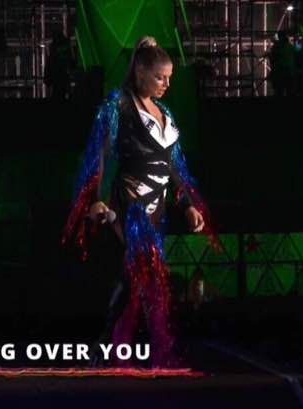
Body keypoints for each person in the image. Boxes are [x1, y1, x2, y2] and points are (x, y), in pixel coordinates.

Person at [62, 36, 218, 368]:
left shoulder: (165, 112)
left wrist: (187, 204)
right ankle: (160, 349)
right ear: (141, 72)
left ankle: (111, 348)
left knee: (134, 279)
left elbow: (174, 166)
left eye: (169, 78)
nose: (166, 84)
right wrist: (97, 200)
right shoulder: (117, 105)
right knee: (150, 274)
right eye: (160, 77)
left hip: (156, 208)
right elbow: (99, 154)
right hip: (127, 203)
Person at [268, 30, 297, 96]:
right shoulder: (289, 46)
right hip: (288, 73)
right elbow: (298, 49)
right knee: (289, 92)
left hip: (279, 74)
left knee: (279, 92)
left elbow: (272, 59)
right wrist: (300, 42)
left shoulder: (276, 47)